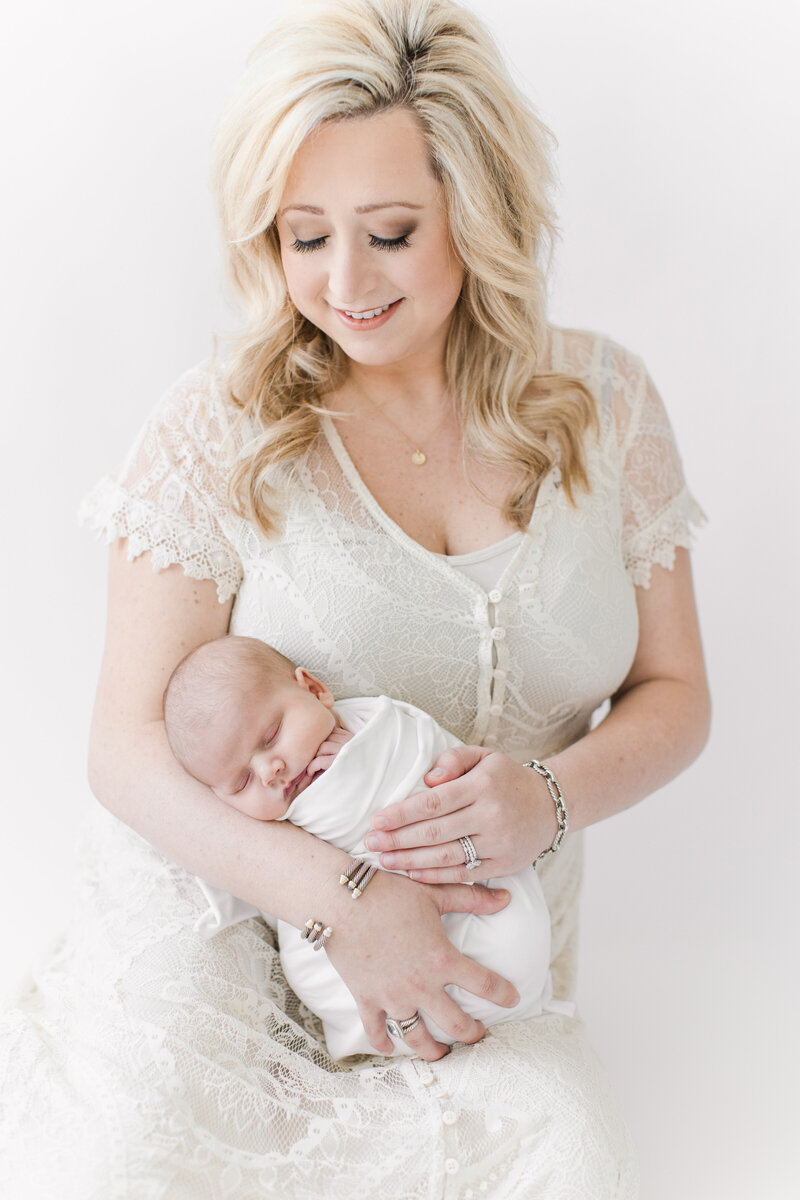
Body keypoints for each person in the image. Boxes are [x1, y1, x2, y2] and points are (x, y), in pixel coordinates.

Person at [0, 0, 709, 1195]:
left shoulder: (605, 404)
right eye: (301, 236)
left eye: (388, 232)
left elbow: (674, 694)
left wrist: (546, 796)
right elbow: (124, 754)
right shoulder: (217, 424)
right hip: (228, 925)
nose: (342, 282)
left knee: (563, 1161)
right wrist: (339, 899)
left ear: (476, 216)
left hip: (474, 961)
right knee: (141, 1162)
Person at [163, 634, 572, 1059]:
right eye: (242, 782)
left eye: (270, 736)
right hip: (344, 952)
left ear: (316, 691)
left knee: (509, 936)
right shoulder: (260, 816)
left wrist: (359, 759)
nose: (270, 770)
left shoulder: (380, 726)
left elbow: (420, 764)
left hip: (467, 883)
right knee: (315, 976)